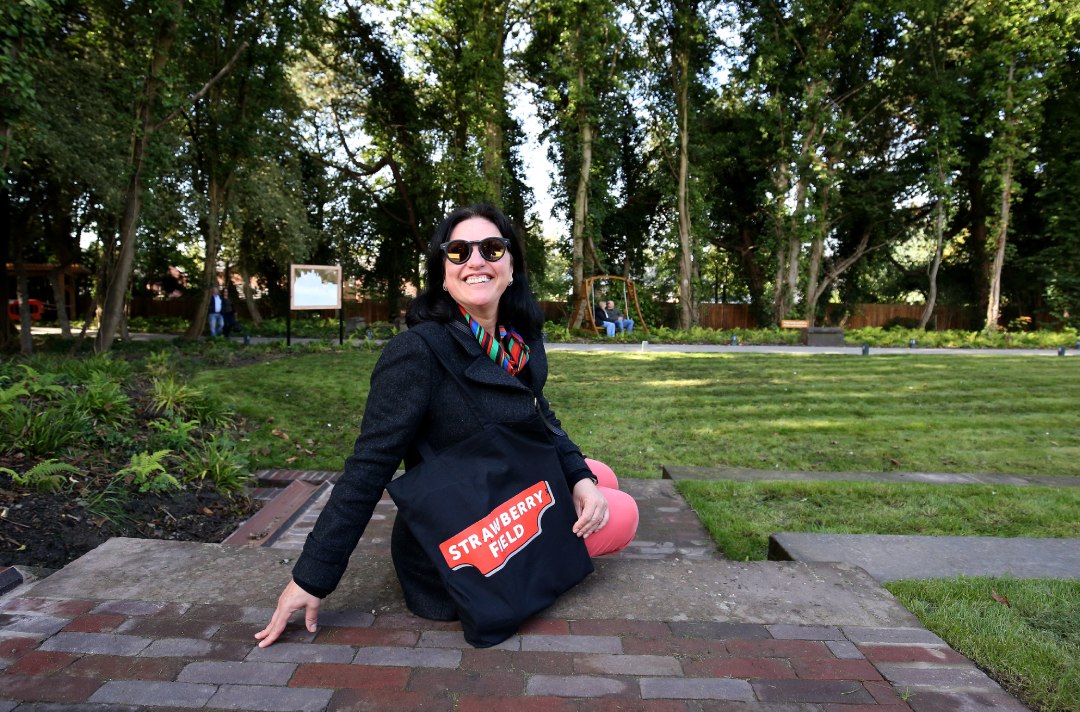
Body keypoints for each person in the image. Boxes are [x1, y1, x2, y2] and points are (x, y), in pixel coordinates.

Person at [255, 203, 639, 647]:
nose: (476, 261)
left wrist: (580, 477)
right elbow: (368, 467)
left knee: (598, 477)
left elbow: (539, 413)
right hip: (465, 535)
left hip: (505, 485)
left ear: (511, 267)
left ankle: (575, 503)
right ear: (443, 272)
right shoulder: (418, 353)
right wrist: (311, 578)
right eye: (459, 251)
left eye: (492, 248)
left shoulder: (516, 340)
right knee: (623, 513)